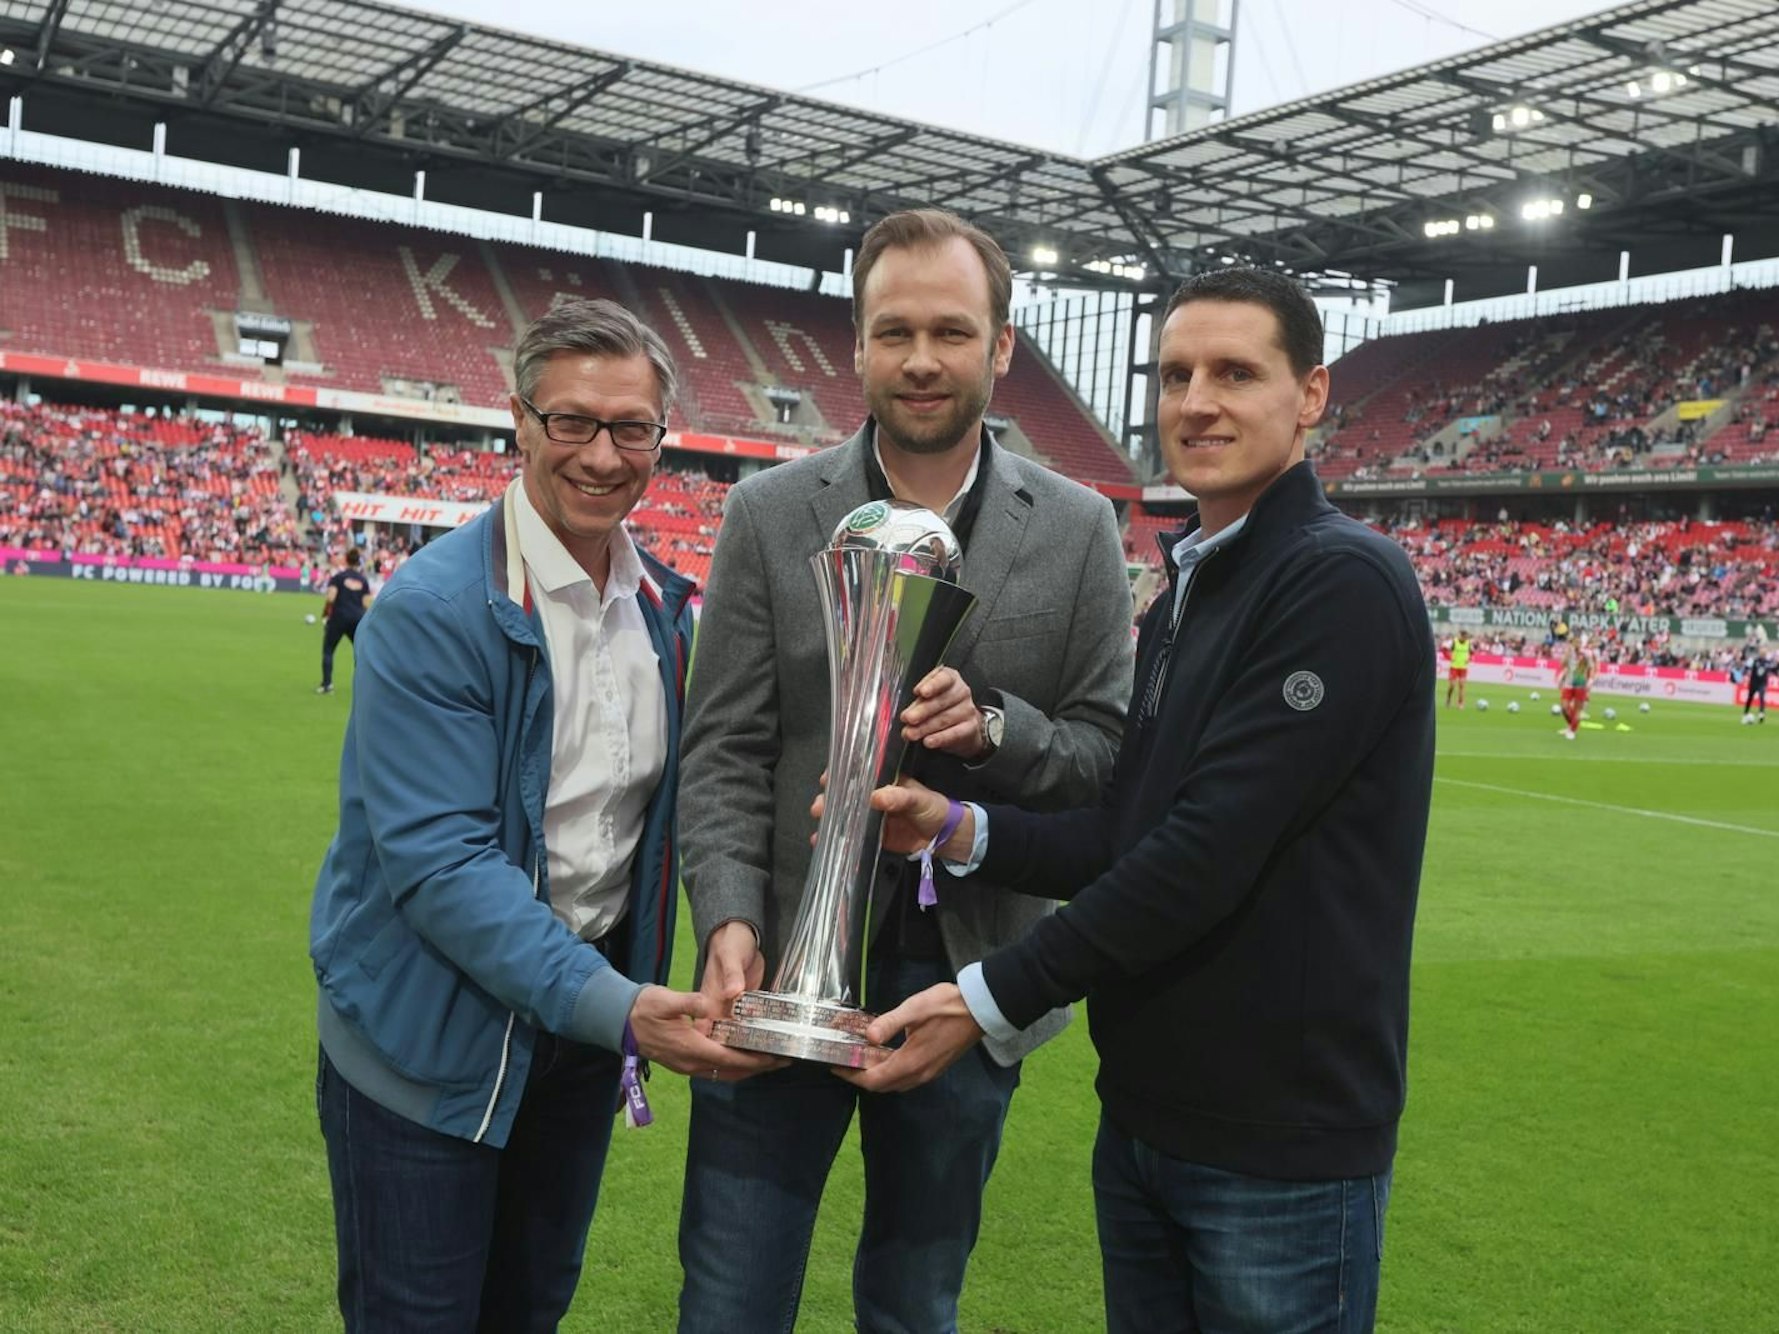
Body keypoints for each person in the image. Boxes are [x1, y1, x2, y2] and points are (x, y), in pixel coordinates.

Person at [832, 266, 1435, 1333]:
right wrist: (963, 829)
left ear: (1311, 395)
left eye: (1236, 372)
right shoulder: (1188, 590)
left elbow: (1202, 852)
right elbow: (1128, 829)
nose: (1197, 400)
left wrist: (985, 997)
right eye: (1176, 374)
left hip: (1277, 1142)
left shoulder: (1341, 580)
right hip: (1153, 1115)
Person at [675, 208, 1134, 1333]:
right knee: (730, 1300)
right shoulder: (769, 512)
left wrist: (995, 730)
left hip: (962, 985)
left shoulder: (1079, 528)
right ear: (858, 345)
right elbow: (724, 745)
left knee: (915, 1304)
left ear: (1002, 346)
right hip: (779, 968)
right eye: (894, 332)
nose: (921, 359)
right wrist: (730, 914)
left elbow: (1107, 756)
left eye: (949, 331)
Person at [309, 298, 774, 1333]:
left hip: (574, 1041)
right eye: (571, 421)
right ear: (517, 420)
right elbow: (441, 866)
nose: (603, 455)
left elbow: (692, 797)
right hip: (424, 1048)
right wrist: (622, 1006)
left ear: (662, 437)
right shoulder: (434, 609)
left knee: (528, 1311)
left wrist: (731, 921)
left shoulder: (664, 607)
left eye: (632, 428)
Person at [315, 546, 372, 694]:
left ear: (346, 560)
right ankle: (364, 686)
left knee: (328, 650)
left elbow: (331, 598)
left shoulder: (338, 578)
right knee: (361, 653)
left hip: (339, 617)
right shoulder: (363, 581)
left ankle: (327, 684)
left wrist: (325, 612)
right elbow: (367, 604)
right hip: (357, 619)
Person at [1559, 638, 1594, 740]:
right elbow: (1563, 664)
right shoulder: (1569, 653)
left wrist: (1590, 679)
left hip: (1580, 684)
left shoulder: (1586, 654)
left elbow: (1591, 667)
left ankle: (1572, 730)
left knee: (1577, 709)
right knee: (1564, 707)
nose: (1577, 644)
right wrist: (1567, 653)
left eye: (1578, 642)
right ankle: (1571, 726)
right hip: (1568, 684)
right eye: (1575, 643)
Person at [1445, 627, 1472, 708]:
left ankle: (1460, 703)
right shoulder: (1454, 642)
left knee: (1461, 685)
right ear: (1460, 636)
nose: (1464, 638)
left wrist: (1469, 658)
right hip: (1454, 667)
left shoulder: (1468, 643)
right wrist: (1449, 657)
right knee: (1452, 685)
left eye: (1465, 636)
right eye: (1463, 636)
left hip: (1463, 667)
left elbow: (1472, 652)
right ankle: (1448, 699)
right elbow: (1444, 649)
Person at [1742, 652, 1771, 724]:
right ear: (1760, 654)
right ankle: (1746, 713)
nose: (1763, 655)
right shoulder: (1754, 661)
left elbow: (1772, 669)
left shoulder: (1767, 662)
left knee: (1762, 697)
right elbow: (1746, 668)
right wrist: (1747, 672)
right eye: (1762, 653)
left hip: (1762, 683)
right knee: (1750, 698)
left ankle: (1761, 713)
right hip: (1754, 683)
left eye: (1764, 654)